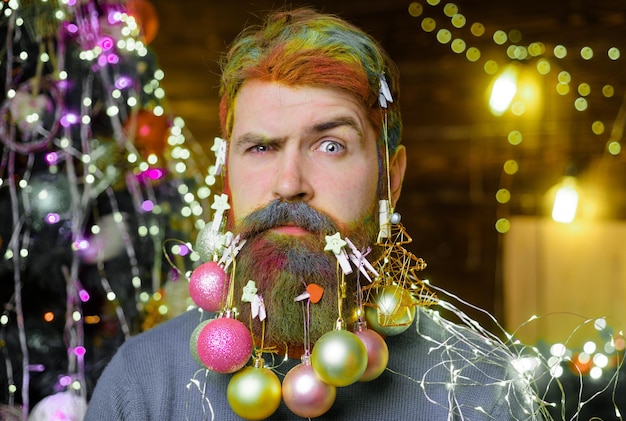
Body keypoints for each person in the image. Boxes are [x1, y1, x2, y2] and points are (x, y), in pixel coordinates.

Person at [85, 7, 542, 420]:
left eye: (331, 145)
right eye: (261, 147)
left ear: (391, 179)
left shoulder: (482, 389)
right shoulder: (141, 383)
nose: (289, 184)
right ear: (227, 177)